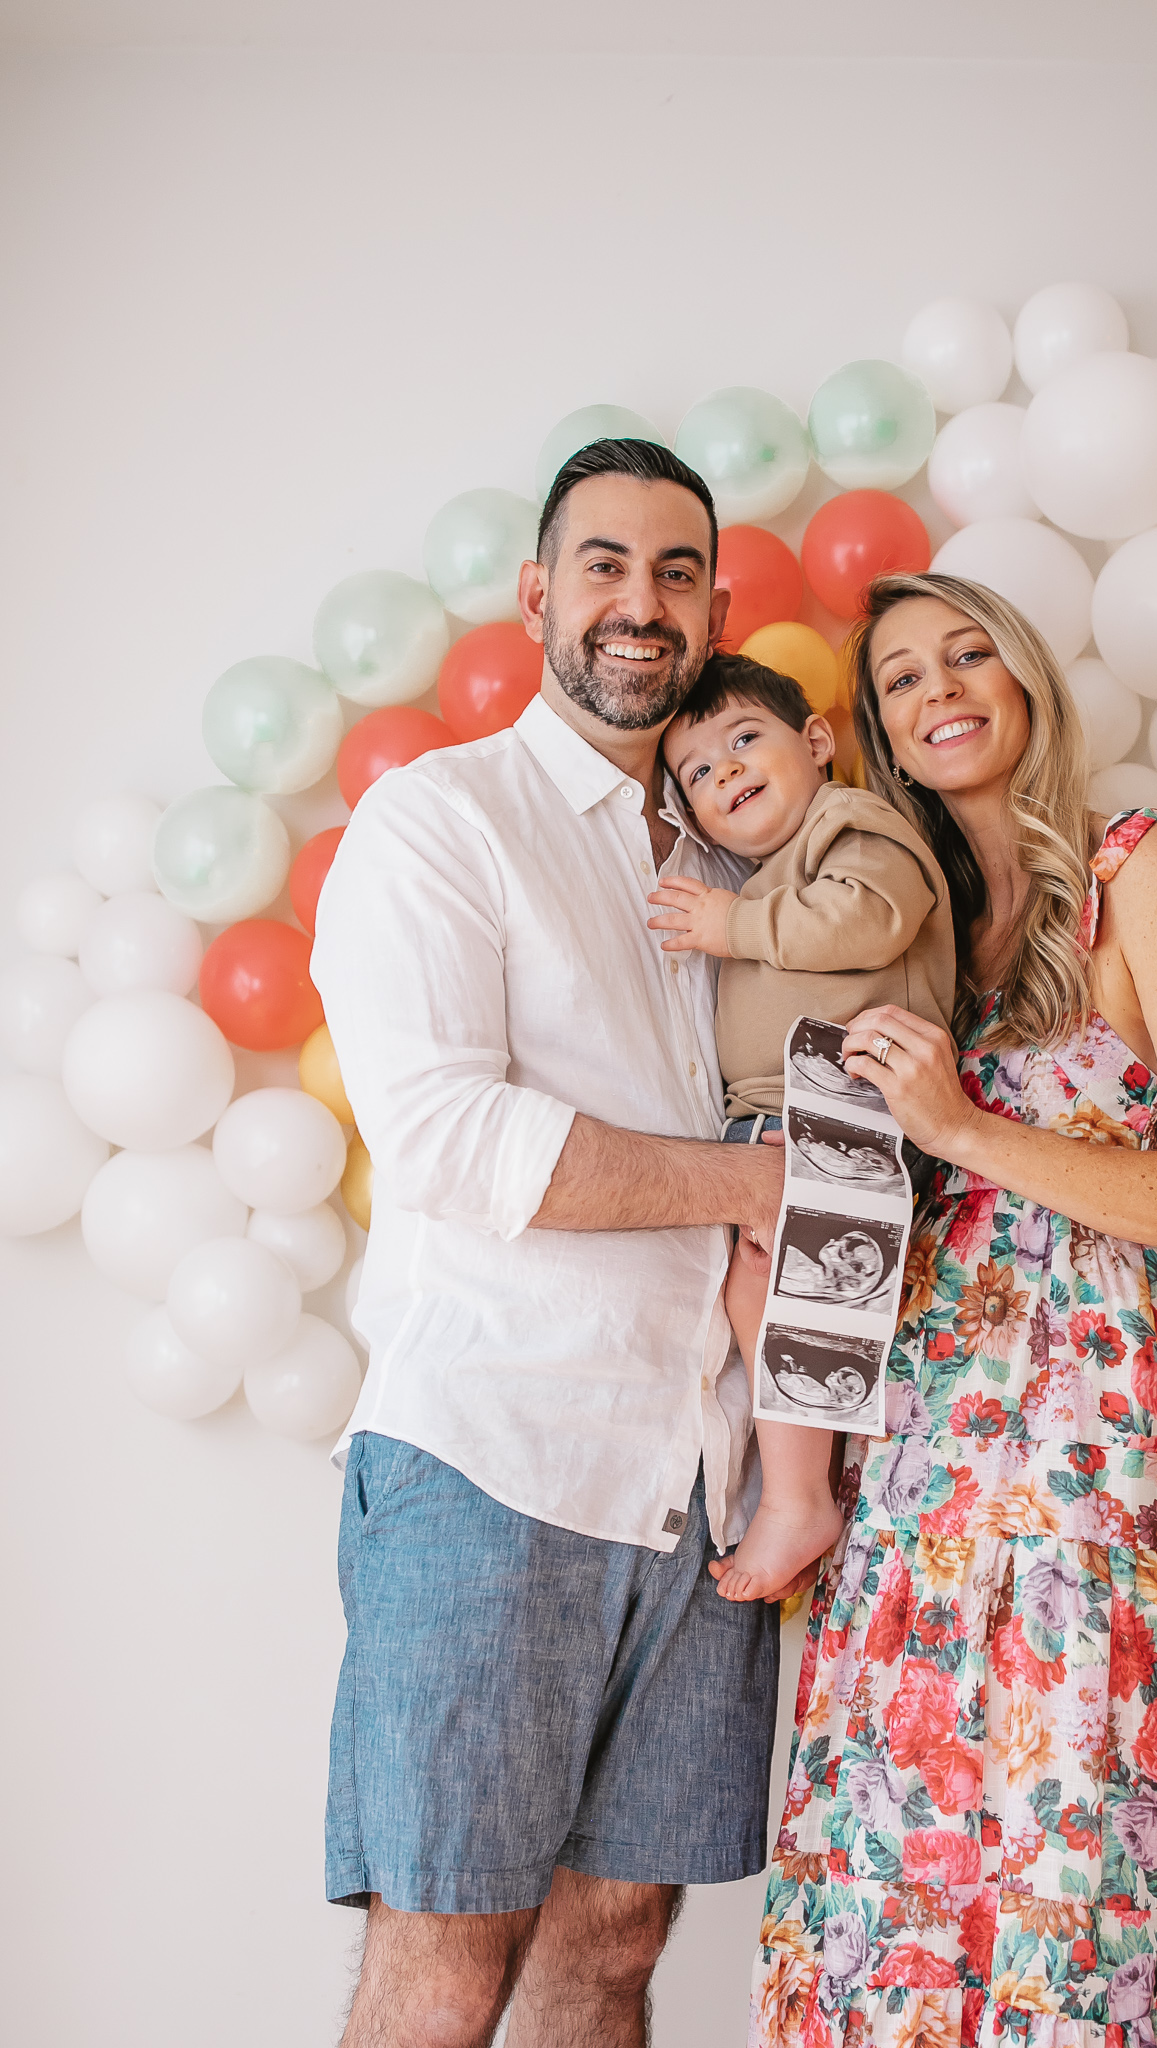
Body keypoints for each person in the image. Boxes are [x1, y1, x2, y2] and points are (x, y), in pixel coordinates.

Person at [750, 572, 1157, 2047]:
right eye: (904, 677)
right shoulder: (908, 936)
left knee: (1077, 1882)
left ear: (1030, 680)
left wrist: (968, 1129)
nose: (941, 690)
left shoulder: (1144, 871)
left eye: (969, 654)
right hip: (916, 1482)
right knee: (898, 1896)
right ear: (873, 728)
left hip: (1088, 1474)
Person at [311, 439, 797, 2048]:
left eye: (675, 573)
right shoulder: (443, 823)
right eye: (604, 565)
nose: (640, 604)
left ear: (715, 604)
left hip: (698, 1482)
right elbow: (445, 1135)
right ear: (539, 594)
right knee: (445, 1970)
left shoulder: (742, 856)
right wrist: (743, 1188)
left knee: (607, 1960)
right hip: (491, 1459)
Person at [647, 652, 955, 1603]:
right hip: (790, 1116)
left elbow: (869, 920)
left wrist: (733, 925)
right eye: (698, 771)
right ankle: (797, 1488)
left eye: (746, 740)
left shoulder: (851, 824)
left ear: (817, 742)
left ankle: (796, 1499)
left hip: (854, 1101)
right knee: (761, 1288)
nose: (727, 770)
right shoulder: (773, 873)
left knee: (795, 1295)